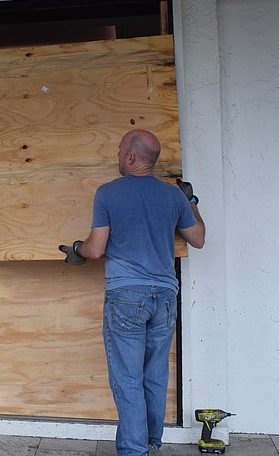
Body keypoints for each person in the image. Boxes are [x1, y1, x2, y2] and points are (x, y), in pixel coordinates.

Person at [59, 129, 205, 456]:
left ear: (130, 156)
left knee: (127, 378)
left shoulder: (108, 193)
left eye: (119, 150)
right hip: (165, 297)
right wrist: (191, 201)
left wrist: (77, 249)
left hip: (126, 296)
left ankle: (134, 451)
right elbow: (198, 238)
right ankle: (150, 443)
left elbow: (96, 249)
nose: (117, 155)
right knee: (154, 375)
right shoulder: (174, 197)